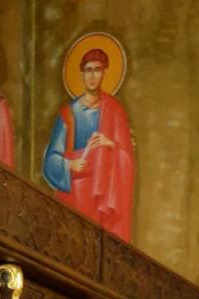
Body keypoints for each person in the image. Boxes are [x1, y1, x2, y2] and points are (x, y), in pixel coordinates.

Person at [42, 47, 134, 241]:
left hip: (103, 195)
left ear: (104, 74)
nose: (92, 76)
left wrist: (110, 144)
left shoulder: (114, 110)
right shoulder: (69, 113)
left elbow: (126, 158)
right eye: (88, 70)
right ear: (82, 74)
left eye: (97, 70)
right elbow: (50, 160)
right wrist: (70, 165)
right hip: (75, 194)